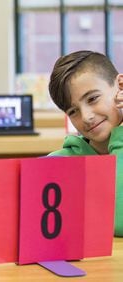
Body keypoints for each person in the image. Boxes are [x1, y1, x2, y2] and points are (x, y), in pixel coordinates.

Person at [48, 50, 123, 237]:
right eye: (73, 111)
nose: (87, 117)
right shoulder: (55, 164)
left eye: (92, 99)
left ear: (120, 86)